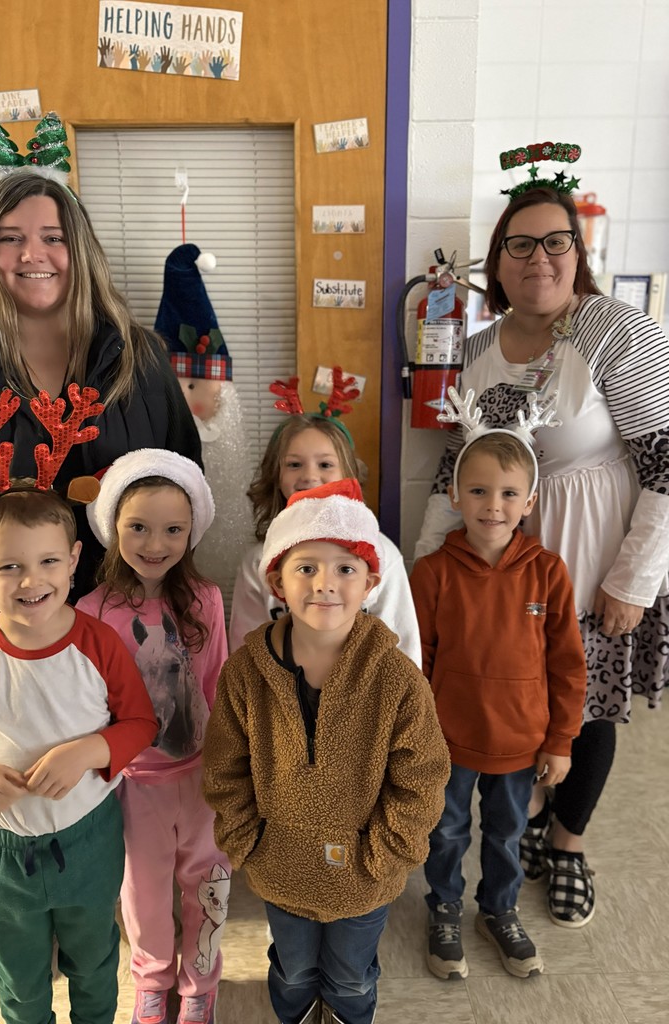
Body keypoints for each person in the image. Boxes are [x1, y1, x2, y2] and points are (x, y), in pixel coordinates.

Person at [415, 185, 669, 928]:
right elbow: (453, 468)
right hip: (501, 558)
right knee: (512, 688)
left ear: (578, 251)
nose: (538, 259)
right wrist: (426, 564)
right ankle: (520, 816)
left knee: (584, 704)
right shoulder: (474, 350)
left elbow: (665, 460)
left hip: (594, 554)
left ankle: (567, 842)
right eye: (519, 245)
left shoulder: (616, 331)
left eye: (555, 241)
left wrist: (634, 579)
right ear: (496, 263)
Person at [0, 168, 201, 680]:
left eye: (53, 238)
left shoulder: (140, 357)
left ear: (78, 249)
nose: (31, 254)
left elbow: (184, 479)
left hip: (121, 633)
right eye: (10, 238)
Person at [204, 479, 450, 1024]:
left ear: (369, 582)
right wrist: (248, 843)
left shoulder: (397, 679)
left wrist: (386, 856)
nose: (325, 584)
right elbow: (225, 768)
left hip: (365, 875)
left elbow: (423, 777)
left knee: (350, 975)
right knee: (292, 971)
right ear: (277, 581)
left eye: (345, 568)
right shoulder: (245, 674)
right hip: (281, 870)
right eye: (306, 567)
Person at [0, 486, 158, 1024]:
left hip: (89, 841)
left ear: (74, 560)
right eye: (9, 566)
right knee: (20, 982)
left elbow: (141, 723)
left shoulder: (99, 644)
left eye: (49, 561)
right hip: (0, 854)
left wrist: (89, 750)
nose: (32, 581)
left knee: (95, 964)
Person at [410, 406, 587, 980]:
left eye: (510, 493)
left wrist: (560, 740)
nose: (494, 504)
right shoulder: (433, 573)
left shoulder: (549, 572)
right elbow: (418, 662)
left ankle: (500, 910)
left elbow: (566, 664)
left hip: (521, 742)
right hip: (450, 741)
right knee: (448, 832)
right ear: (456, 495)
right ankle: (443, 909)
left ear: (530, 502)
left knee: (508, 833)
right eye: (479, 490)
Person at [78, 448, 230, 1024]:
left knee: (208, 887)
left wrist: (227, 771)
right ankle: (151, 980)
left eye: (173, 529)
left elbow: (216, 683)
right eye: (138, 527)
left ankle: (200, 987)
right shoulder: (93, 611)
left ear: (192, 531)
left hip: (200, 782)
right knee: (141, 898)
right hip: (132, 784)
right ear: (113, 526)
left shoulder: (205, 601)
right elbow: (91, 706)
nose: (155, 542)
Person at [229, 407, 421, 664]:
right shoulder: (258, 562)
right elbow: (246, 654)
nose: (309, 476)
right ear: (276, 476)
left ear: (348, 473)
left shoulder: (382, 553)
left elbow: (404, 651)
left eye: (325, 464)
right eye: (294, 464)